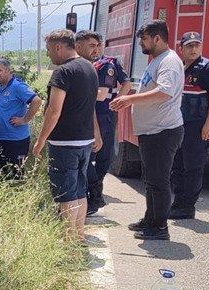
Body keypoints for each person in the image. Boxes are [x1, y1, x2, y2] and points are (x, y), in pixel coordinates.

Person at [109, 20, 184, 241]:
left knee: (159, 181)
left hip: (162, 132)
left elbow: (164, 92)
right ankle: (150, 220)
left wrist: (129, 99)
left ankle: (160, 227)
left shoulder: (169, 62)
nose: (141, 43)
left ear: (157, 38)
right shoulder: (158, 60)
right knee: (151, 179)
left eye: (144, 39)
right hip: (152, 132)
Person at [31, 29, 101, 240]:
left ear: (59, 47)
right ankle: (79, 234)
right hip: (85, 140)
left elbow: (54, 111)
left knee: (65, 192)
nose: (48, 54)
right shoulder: (90, 68)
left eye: (49, 50)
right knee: (80, 188)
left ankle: (69, 238)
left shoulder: (63, 72)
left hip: (64, 142)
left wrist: (40, 140)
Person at [76, 30, 133, 215]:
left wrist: (118, 100)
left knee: (101, 159)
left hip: (102, 116)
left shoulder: (106, 64)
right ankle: (93, 195)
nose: (95, 49)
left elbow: (109, 91)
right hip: (89, 116)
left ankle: (95, 195)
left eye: (97, 45)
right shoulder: (79, 65)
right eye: (91, 46)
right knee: (87, 159)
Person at [169, 31, 209, 220]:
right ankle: (178, 202)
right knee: (177, 165)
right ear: (181, 48)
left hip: (196, 124)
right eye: (189, 46)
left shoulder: (206, 68)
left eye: (196, 45)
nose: (193, 49)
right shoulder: (179, 67)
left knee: (193, 166)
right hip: (178, 123)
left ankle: (187, 207)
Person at [0, 57, 41, 180]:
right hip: (2, 137)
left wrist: (25, 119)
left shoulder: (17, 86)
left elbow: (36, 101)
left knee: (15, 174)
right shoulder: (1, 87)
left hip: (15, 139)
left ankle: (20, 196)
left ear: (8, 70)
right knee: (4, 172)